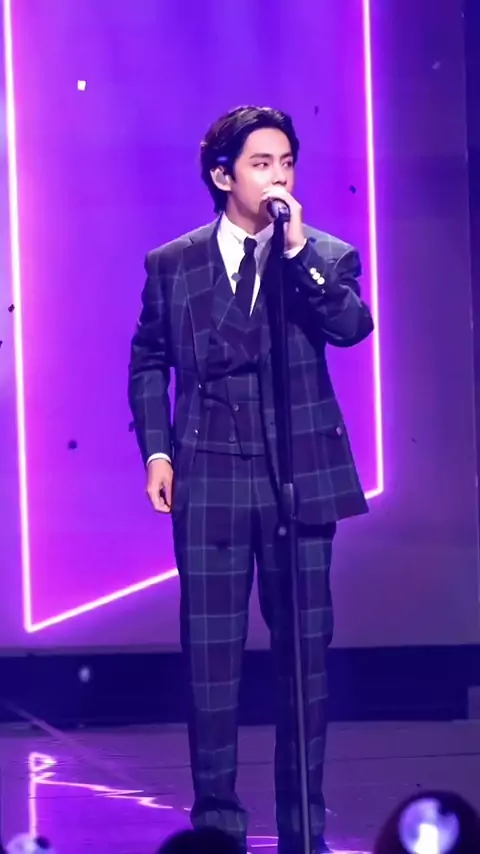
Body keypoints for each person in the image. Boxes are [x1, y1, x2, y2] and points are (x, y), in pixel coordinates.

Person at [128, 105, 374, 854]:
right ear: (222, 175)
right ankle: (218, 826)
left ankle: (303, 825)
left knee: (304, 662)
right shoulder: (173, 264)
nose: (278, 177)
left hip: (299, 478)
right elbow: (149, 361)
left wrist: (296, 250)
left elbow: (351, 327)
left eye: (287, 163)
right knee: (211, 662)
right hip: (209, 478)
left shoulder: (321, 255)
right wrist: (159, 453)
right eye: (262, 163)